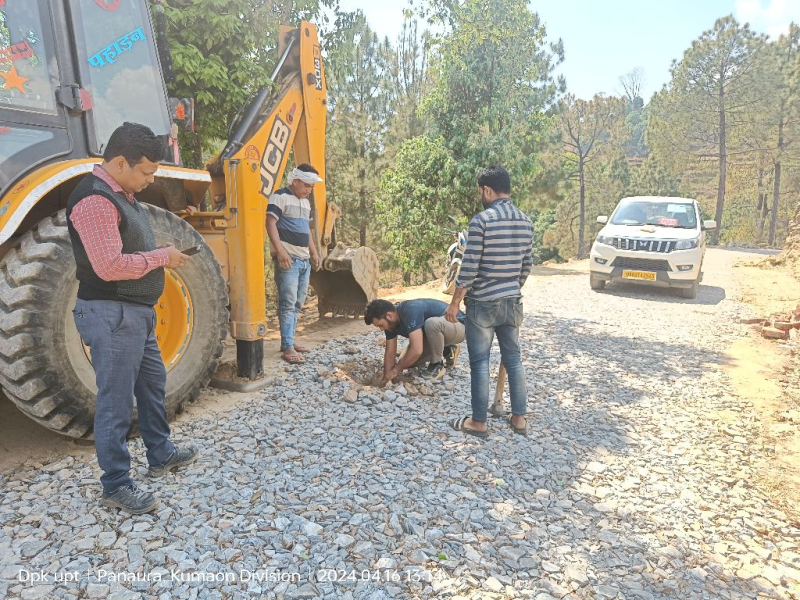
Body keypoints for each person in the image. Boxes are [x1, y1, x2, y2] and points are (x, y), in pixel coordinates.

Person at [68, 122, 198, 514]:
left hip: (134, 313)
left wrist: (158, 251)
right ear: (121, 162)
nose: (150, 179)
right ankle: (116, 484)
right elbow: (108, 266)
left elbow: (125, 248)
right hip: (111, 312)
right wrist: (161, 257)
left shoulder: (122, 195)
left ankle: (161, 453)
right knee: (116, 401)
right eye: (146, 171)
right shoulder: (95, 200)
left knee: (152, 385)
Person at [445, 166, 533, 438]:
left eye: (480, 192)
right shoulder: (526, 221)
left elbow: (469, 267)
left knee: (480, 362)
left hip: (483, 303)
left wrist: (455, 302)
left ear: (487, 190)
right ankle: (519, 419)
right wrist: (511, 288)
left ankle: (479, 423)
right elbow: (526, 266)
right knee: (513, 359)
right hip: (512, 301)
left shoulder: (481, 221)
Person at [266, 163, 323, 364]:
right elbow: (270, 223)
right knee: (288, 304)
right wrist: (281, 252)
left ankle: (288, 341)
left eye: (312, 187)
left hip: (304, 260)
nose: (309, 190)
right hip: (289, 260)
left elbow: (306, 230)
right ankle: (288, 347)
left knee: (298, 303)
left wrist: (314, 253)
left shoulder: (305, 203)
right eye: (307, 185)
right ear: (295, 181)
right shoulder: (279, 196)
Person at [365, 298, 466, 384]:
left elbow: (416, 350)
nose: (381, 329)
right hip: (437, 334)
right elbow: (390, 353)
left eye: (380, 325)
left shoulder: (410, 309)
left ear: (389, 316)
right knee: (406, 361)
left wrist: (396, 370)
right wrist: (387, 378)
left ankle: (436, 365)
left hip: (459, 325)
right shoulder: (390, 324)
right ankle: (448, 349)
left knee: (431, 324)